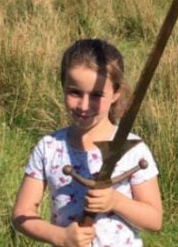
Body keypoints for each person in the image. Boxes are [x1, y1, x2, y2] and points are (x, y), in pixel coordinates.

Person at [13, 39, 162, 247]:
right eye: (75, 92)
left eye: (96, 95)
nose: (84, 105)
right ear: (63, 85)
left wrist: (115, 201)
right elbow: (22, 214)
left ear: (116, 93)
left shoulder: (133, 150)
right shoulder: (49, 147)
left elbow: (154, 220)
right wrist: (59, 237)